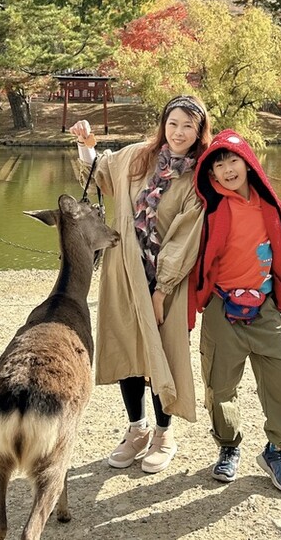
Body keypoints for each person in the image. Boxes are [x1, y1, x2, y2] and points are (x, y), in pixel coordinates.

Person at [68, 95, 211, 474]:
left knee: (162, 353)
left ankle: (165, 433)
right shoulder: (136, 156)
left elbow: (184, 239)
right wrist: (86, 146)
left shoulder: (199, 177)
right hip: (121, 270)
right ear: (163, 124)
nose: (178, 133)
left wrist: (162, 290)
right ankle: (137, 429)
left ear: (199, 133)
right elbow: (101, 172)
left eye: (188, 127)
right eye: (173, 123)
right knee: (126, 349)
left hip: (166, 281)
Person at [189, 129, 281, 494]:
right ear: (211, 175)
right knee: (219, 382)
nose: (227, 169)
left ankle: (278, 450)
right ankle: (228, 446)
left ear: (248, 162)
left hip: (264, 306)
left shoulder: (270, 205)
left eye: (233, 160)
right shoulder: (210, 208)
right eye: (219, 165)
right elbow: (190, 259)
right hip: (221, 306)